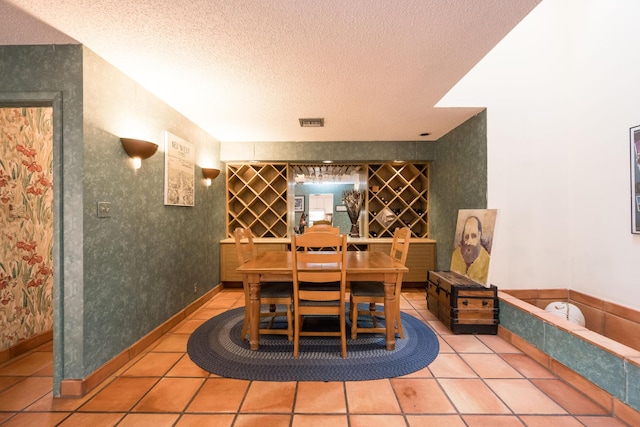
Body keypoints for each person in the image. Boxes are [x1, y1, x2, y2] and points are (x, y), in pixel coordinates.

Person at [450, 215, 490, 284]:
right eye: (467, 237)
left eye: (473, 236)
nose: (469, 242)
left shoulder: (486, 260)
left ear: (479, 235)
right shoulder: (456, 255)